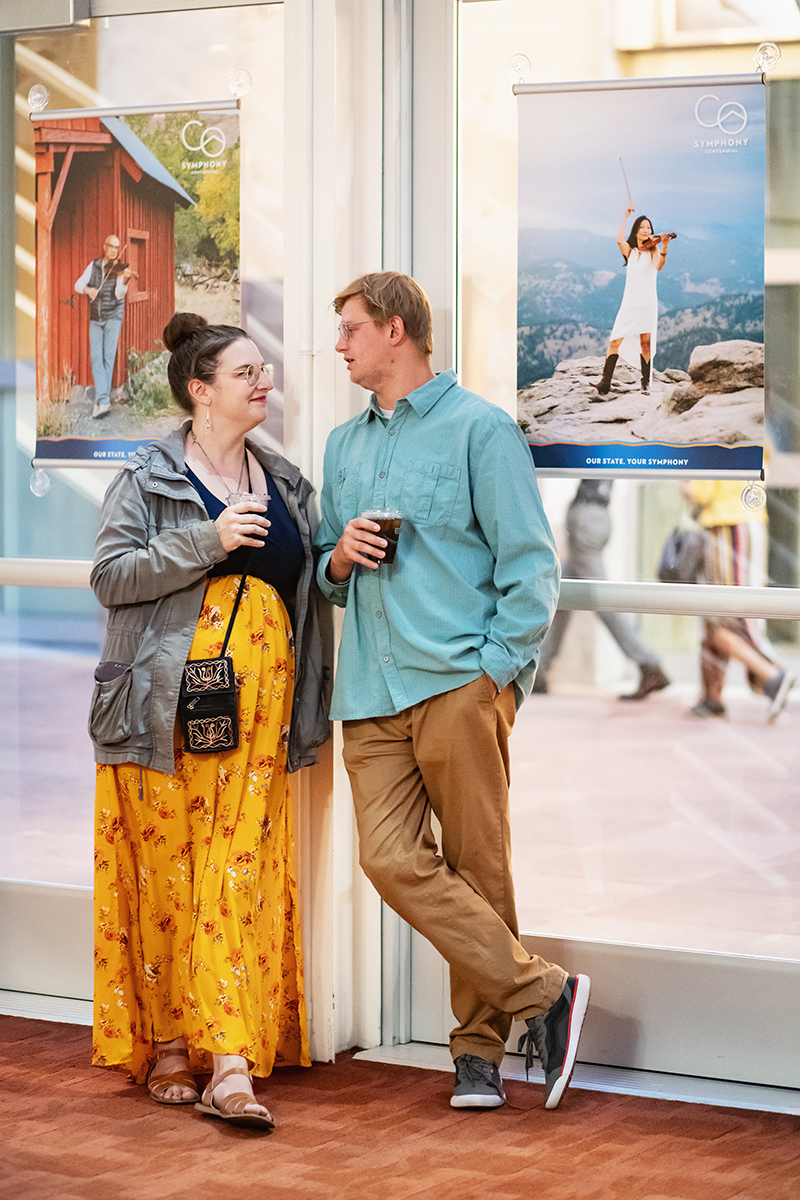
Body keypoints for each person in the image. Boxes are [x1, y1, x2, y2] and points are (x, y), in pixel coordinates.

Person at [315, 271, 591, 1112]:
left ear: (396, 330)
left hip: (456, 681)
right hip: (368, 687)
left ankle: (478, 1055)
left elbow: (530, 565)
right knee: (389, 859)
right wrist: (338, 556)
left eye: (352, 328)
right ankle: (542, 993)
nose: (340, 345)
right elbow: (327, 569)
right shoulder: (343, 445)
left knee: (480, 863)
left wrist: (493, 675)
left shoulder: (482, 430)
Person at [89, 312, 330, 1130]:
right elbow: (112, 576)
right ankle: (166, 1046)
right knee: (168, 873)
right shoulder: (149, 476)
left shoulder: (287, 481)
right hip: (162, 711)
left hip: (259, 724)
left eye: (264, 371)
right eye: (246, 373)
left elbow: (304, 587)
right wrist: (207, 538)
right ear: (201, 390)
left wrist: (340, 558)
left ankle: (229, 1057)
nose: (265, 384)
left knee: (236, 871)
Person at [532, 479, 670, 700]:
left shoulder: (599, 448)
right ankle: (539, 674)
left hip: (587, 515)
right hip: (594, 514)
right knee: (562, 596)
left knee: (602, 600)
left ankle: (648, 663)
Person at [685, 480, 795, 721]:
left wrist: (685, 483)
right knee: (731, 613)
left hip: (725, 526)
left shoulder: (717, 441)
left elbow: (701, 491)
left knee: (720, 618)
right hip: (747, 523)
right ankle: (712, 697)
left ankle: (771, 674)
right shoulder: (756, 442)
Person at [593, 204, 672, 398]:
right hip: (629, 303)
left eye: (649, 228)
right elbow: (619, 239)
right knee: (615, 340)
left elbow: (659, 266)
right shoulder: (631, 251)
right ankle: (605, 383)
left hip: (647, 302)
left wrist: (665, 245)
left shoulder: (653, 250)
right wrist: (625, 217)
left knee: (645, 343)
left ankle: (645, 384)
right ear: (636, 230)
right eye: (643, 227)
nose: (647, 230)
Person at [74, 234, 132, 419]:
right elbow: (78, 284)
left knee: (108, 358)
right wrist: (88, 289)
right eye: (112, 247)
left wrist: (124, 282)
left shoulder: (120, 269)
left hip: (113, 317)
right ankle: (102, 401)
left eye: (117, 247)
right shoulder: (94, 266)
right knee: (96, 358)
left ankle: (102, 401)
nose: (115, 250)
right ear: (105, 247)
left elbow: (119, 294)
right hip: (96, 318)